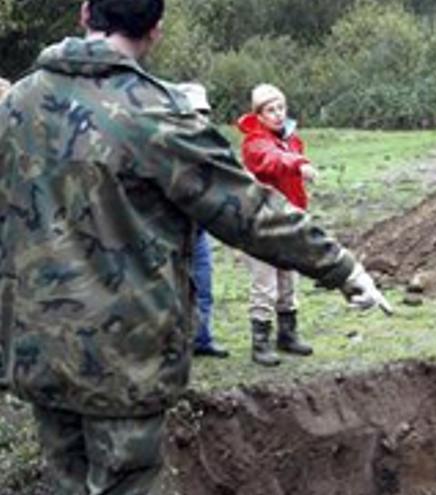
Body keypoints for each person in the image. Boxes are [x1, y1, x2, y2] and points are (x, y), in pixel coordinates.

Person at [0, 1, 391, 494]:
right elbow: (247, 211)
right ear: (156, 30)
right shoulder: (153, 112)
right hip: (125, 357)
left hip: (38, 348)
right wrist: (342, 267)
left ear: (84, 14)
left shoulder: (17, 103)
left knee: (64, 483)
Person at [237, 84, 319, 366]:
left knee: (289, 279)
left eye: (280, 108)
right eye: (270, 110)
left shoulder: (292, 140)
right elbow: (269, 161)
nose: (277, 114)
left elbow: (288, 170)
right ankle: (260, 342)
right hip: (260, 221)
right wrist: (297, 164)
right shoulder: (254, 142)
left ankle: (287, 334)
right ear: (258, 115)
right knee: (265, 283)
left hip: (289, 218)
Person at [177, 82, 229, 359]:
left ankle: (201, 340)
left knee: (204, 287)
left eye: (203, 112)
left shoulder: (210, 148)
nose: (199, 118)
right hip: (168, 234)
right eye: (193, 111)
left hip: (198, 231)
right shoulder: (164, 145)